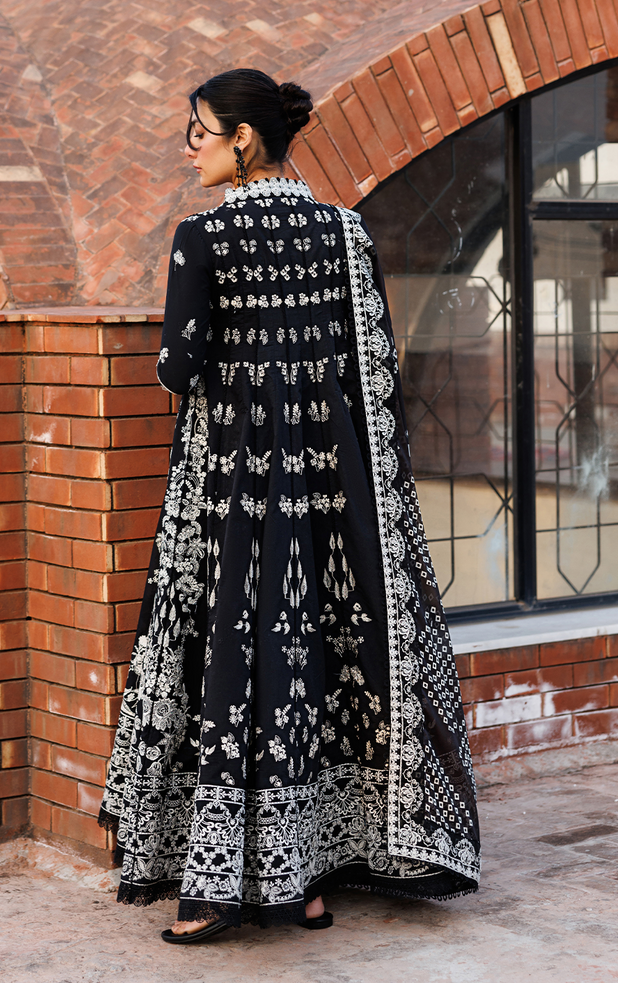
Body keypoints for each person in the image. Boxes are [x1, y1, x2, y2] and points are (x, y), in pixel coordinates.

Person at [99, 68, 480, 944]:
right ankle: (305, 884)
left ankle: (214, 890)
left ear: (241, 140)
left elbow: (177, 369)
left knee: (237, 655)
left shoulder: (203, 236)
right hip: (332, 491)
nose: (188, 148)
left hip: (236, 486)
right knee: (313, 650)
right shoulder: (345, 232)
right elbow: (372, 365)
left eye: (198, 131)